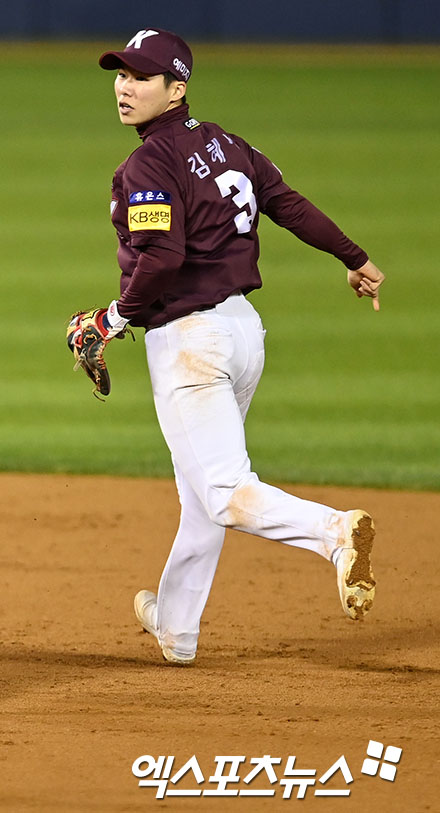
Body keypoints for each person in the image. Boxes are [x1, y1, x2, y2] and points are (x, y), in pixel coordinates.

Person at [82, 29, 384, 664]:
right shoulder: (225, 143)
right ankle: (175, 627)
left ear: (176, 89)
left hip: (191, 341)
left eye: (140, 76)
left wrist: (112, 319)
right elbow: (288, 204)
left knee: (223, 492)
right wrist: (353, 258)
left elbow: (160, 259)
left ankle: (334, 534)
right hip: (244, 332)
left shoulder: (145, 167)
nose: (124, 86)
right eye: (120, 74)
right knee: (201, 495)